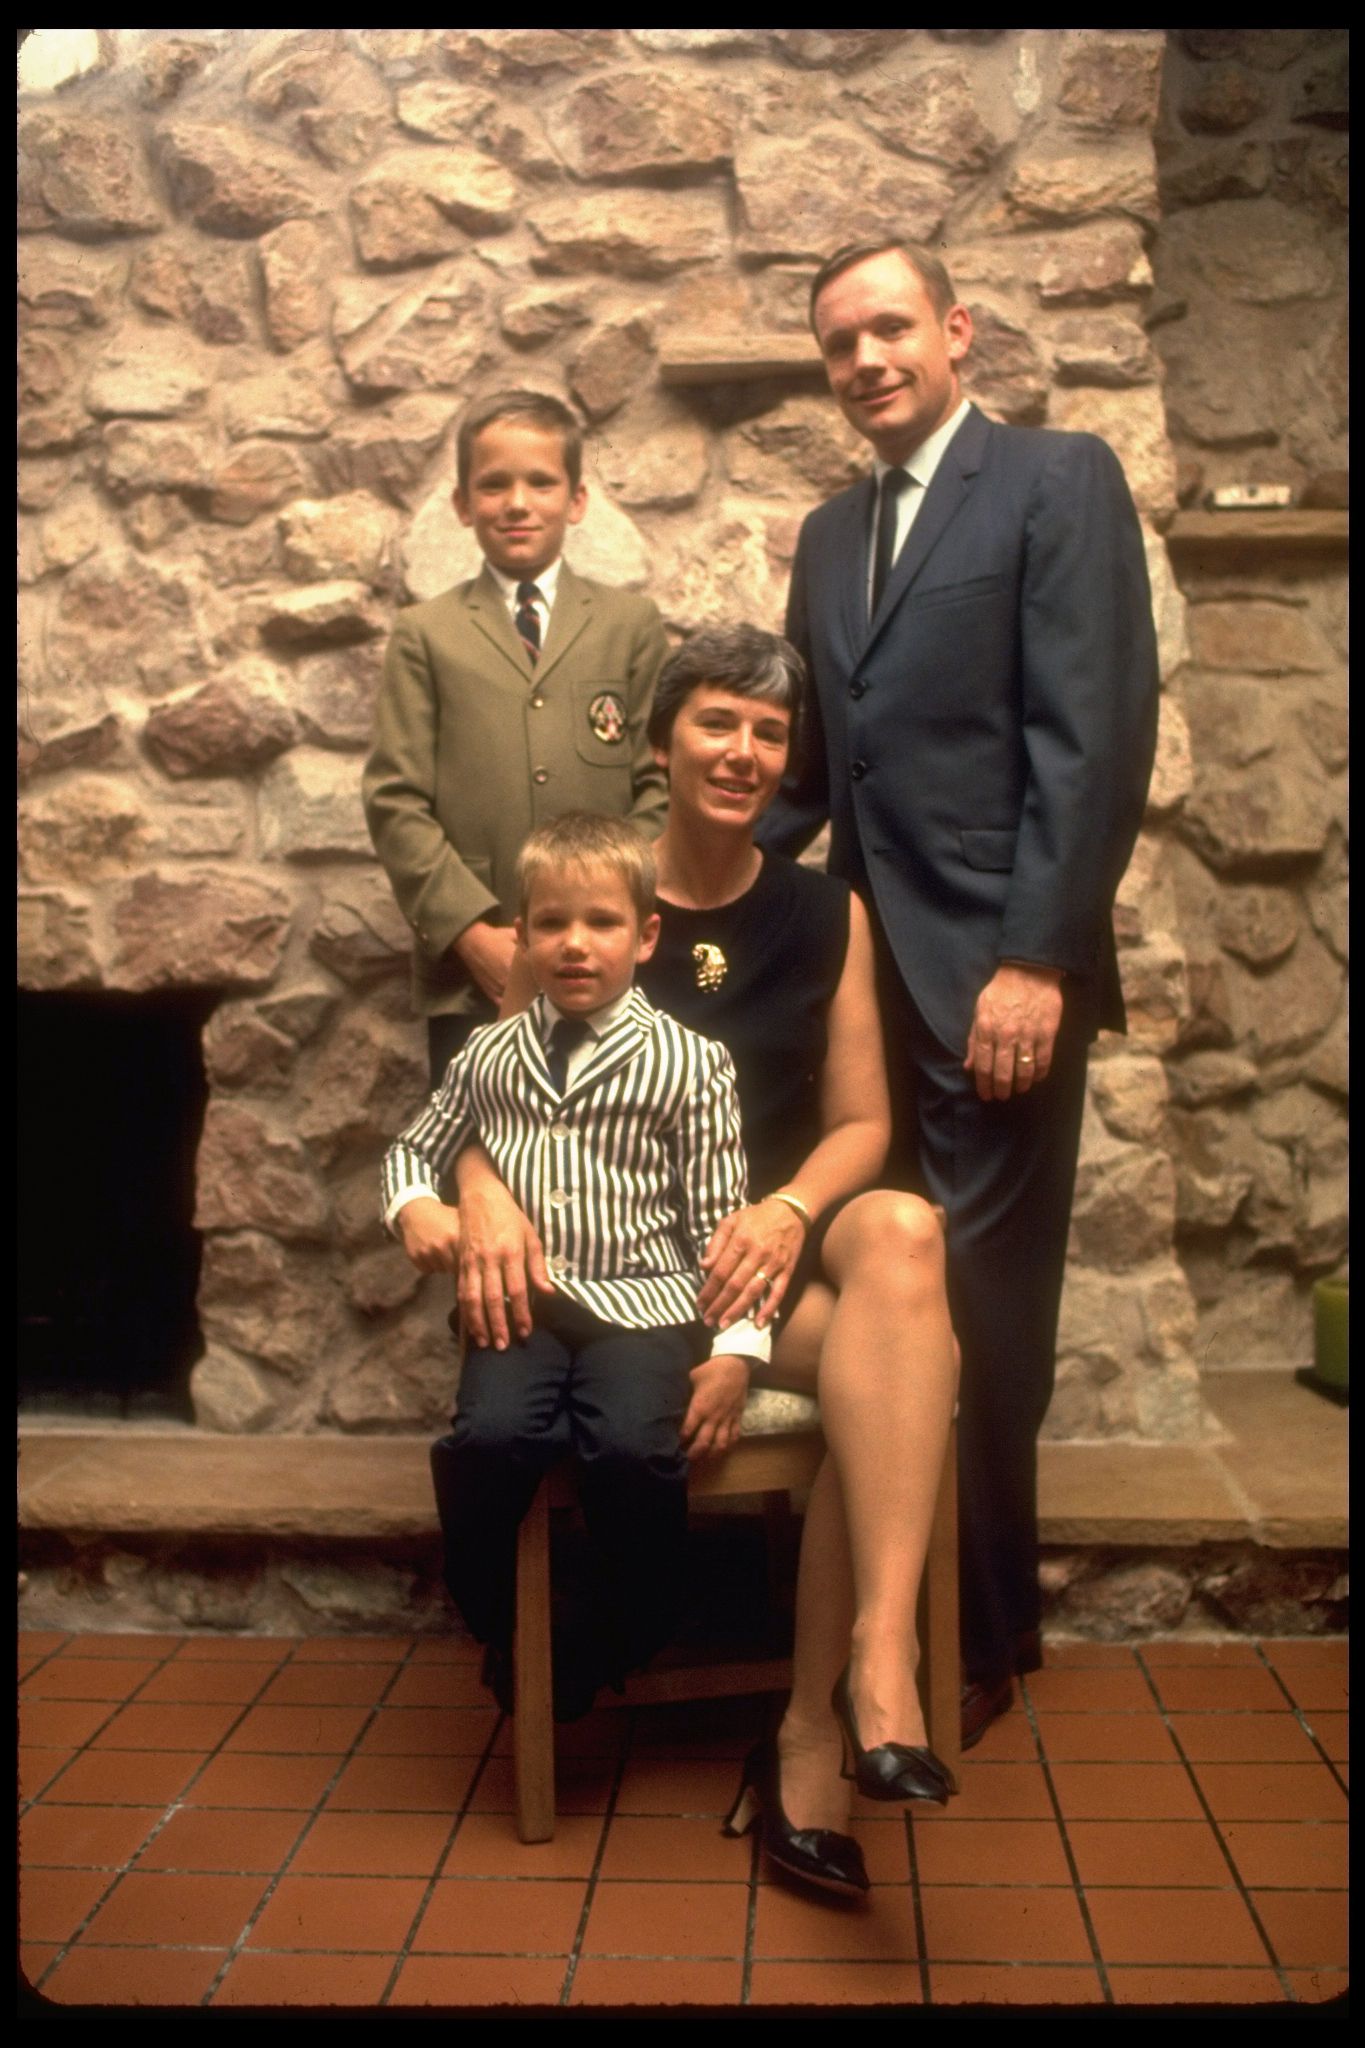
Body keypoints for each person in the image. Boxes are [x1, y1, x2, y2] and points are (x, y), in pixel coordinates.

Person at [453, 626, 961, 1898]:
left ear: (792, 759)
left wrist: (788, 1209)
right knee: (895, 1367)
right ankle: (817, 1730)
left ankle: (873, 1652)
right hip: (643, 1273)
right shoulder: (588, 899)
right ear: (664, 736)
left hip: (776, 1240)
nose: (744, 752)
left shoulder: (821, 907)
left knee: (903, 1228)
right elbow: (483, 1108)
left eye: (771, 732)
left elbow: (864, 1124)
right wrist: (480, 1198)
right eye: (718, 723)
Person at [758, 240, 1160, 1749]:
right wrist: (673, 871)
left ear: (955, 331)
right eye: (838, 343)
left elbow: (1094, 733)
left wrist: (1039, 958)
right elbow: (816, 776)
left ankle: (978, 1644)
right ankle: (891, 1626)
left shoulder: (1057, 481)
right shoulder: (823, 534)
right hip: (865, 998)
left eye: (889, 328)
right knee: (890, 1315)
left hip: (996, 984)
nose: (865, 359)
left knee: (984, 1323)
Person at [382, 812, 763, 1723]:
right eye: (550, 923)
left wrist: (738, 1350)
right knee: (488, 1441)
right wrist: (418, 1206)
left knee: (629, 1448)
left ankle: (621, 1631)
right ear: (522, 935)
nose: (575, 945)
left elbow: (724, 1221)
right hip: (525, 1306)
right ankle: (502, 1625)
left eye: (601, 922)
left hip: (647, 1306)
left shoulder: (689, 1063)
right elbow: (411, 1150)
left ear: (646, 934)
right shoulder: (488, 1057)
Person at [363, 389, 669, 1088]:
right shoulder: (426, 634)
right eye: (493, 484)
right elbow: (394, 800)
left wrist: (615, 916)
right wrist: (470, 932)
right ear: (463, 506)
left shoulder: (630, 625)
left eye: (540, 481)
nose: (517, 502)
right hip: (477, 971)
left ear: (577, 499)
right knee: (480, 1162)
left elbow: (658, 784)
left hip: (607, 963)